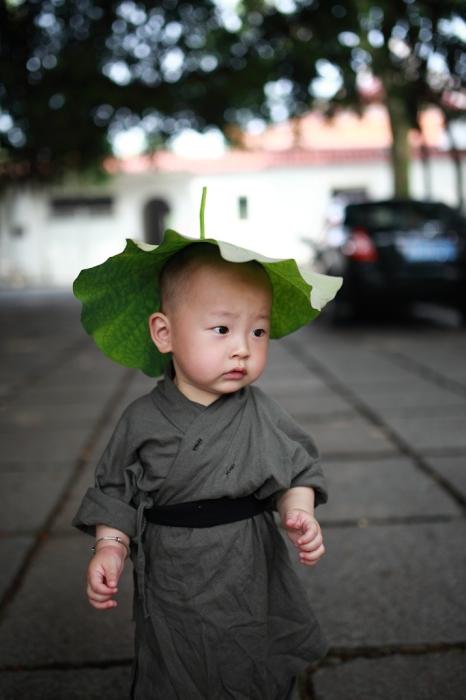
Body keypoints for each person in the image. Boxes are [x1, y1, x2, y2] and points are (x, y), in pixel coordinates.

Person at [73, 233, 338, 699]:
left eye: (257, 331)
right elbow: (115, 491)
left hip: (248, 561)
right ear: (164, 333)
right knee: (177, 661)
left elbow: (297, 468)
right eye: (222, 330)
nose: (243, 348)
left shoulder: (262, 412)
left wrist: (300, 511)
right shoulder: (142, 420)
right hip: (174, 569)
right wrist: (111, 547)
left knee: (250, 651)